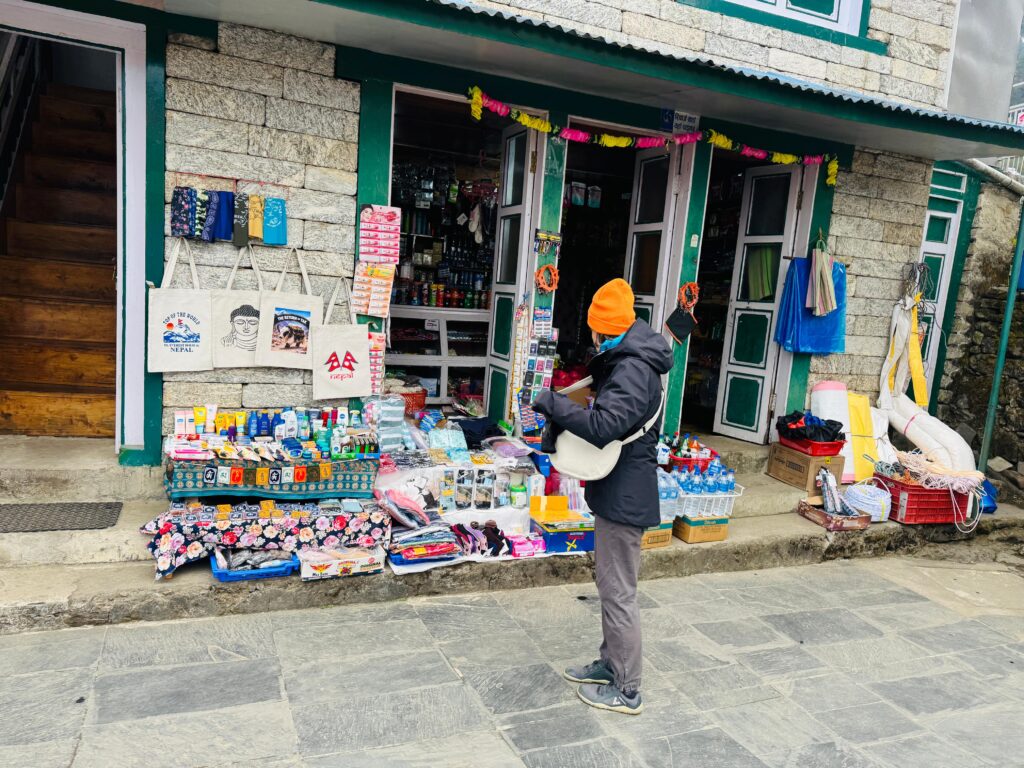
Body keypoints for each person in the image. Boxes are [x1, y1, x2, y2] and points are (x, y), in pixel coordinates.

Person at [532, 278, 673, 715]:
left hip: (626, 496)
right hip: (617, 490)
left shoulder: (633, 369)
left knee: (618, 593)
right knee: (609, 585)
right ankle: (610, 664)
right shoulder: (628, 360)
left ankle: (627, 688)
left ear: (601, 328)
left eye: (593, 328)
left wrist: (553, 404)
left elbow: (602, 428)